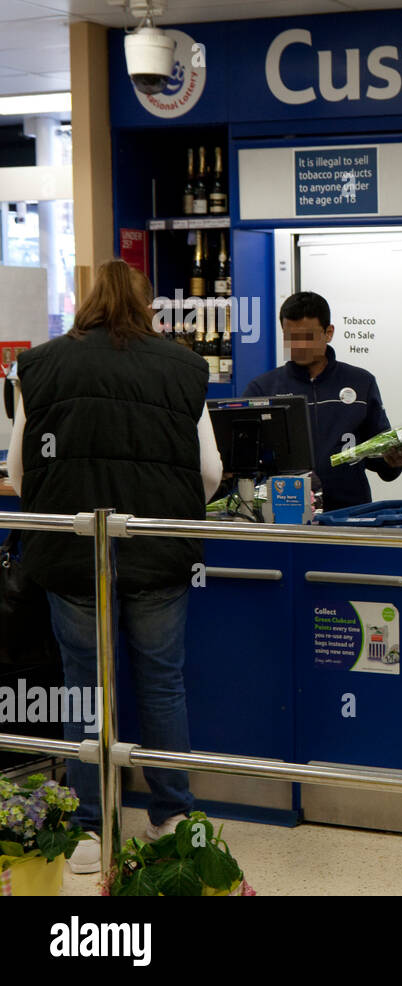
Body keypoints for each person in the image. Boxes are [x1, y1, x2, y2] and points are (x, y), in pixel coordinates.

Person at [8, 259, 223, 873]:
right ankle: (172, 815)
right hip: (157, 553)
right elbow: (208, 472)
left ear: (85, 301)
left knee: (84, 689)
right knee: (162, 682)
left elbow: (21, 473)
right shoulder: (183, 365)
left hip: (73, 555)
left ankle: (89, 828)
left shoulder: (40, 364)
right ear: (146, 302)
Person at [243, 292, 402, 512]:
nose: (299, 345)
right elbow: (244, 462)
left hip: (350, 517)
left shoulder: (362, 383)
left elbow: (380, 457)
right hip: (284, 518)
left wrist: (392, 460)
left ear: (329, 333)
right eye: (291, 337)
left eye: (307, 336)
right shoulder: (262, 390)